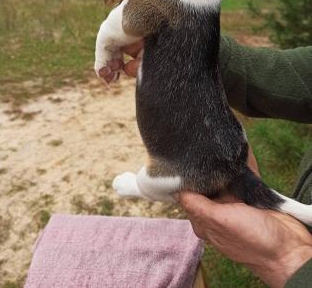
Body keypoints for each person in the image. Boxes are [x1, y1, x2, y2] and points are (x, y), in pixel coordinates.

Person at [103, 36, 312, 287]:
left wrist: (291, 260)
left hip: (207, 165)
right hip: (227, 156)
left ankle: (144, 185)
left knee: (158, 178)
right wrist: (201, 52)